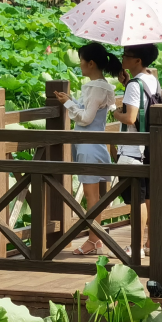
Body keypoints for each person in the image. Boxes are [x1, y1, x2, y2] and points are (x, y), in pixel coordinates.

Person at [54, 43, 122, 256]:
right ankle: (96, 239)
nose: (80, 64)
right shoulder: (104, 86)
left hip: (88, 146)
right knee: (96, 197)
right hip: (96, 143)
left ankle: (93, 240)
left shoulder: (95, 88)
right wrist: (71, 101)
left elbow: (85, 118)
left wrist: (67, 105)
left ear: (91, 63)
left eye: (81, 60)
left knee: (92, 198)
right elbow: (94, 112)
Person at [112, 43, 161, 259]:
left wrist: (115, 112)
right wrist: (127, 84)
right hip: (150, 146)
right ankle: (150, 243)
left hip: (133, 150)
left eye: (126, 55)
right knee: (149, 196)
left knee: (136, 199)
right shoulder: (151, 78)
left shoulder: (135, 84)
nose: (122, 58)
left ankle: (137, 245)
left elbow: (130, 118)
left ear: (137, 60)